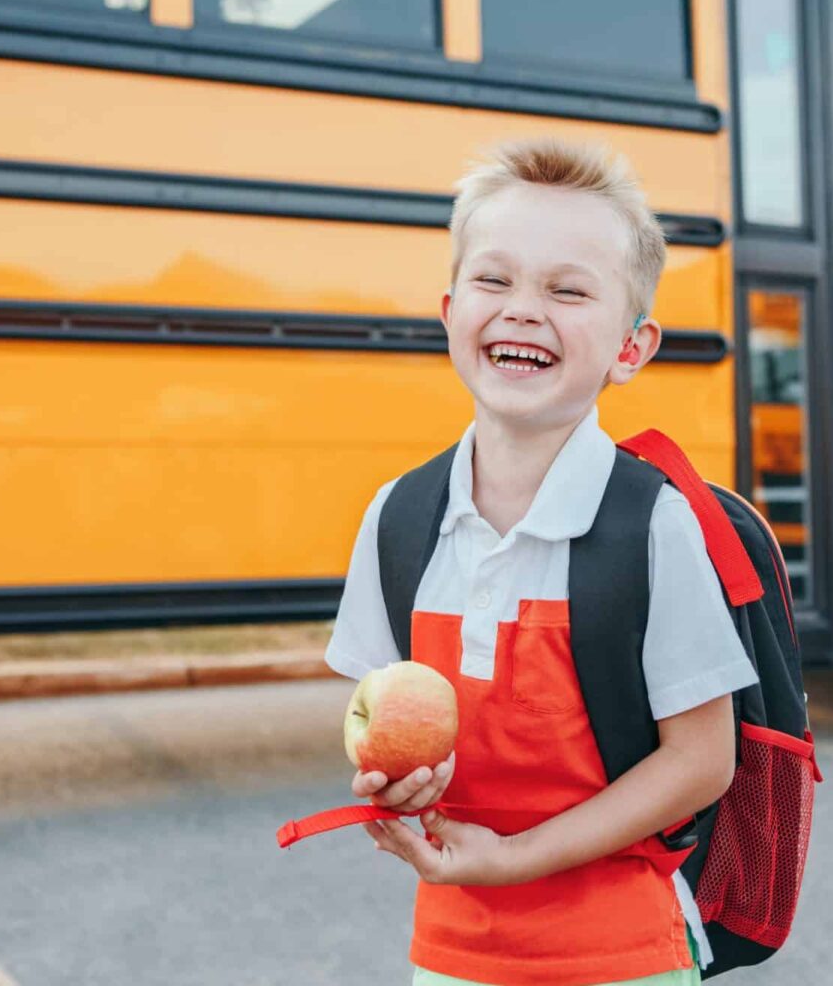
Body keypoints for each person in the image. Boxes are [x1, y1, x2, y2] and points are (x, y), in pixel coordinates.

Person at [324, 139, 759, 986]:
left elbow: (704, 760)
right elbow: (378, 714)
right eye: (495, 281)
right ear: (450, 311)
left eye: (566, 290)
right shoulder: (398, 520)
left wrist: (516, 858)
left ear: (631, 348)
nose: (523, 309)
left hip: (623, 956)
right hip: (452, 955)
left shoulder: (654, 525)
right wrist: (399, 781)